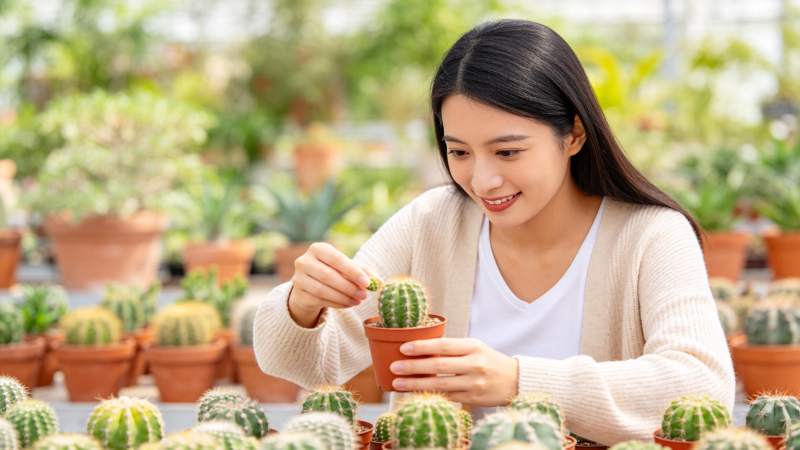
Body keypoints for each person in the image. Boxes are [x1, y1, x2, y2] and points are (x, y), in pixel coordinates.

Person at [254, 19, 734, 444]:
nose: (482, 181)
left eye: (507, 152)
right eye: (459, 152)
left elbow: (703, 386)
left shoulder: (651, 236)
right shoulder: (432, 222)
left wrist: (518, 380)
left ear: (574, 134)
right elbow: (307, 362)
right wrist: (303, 305)